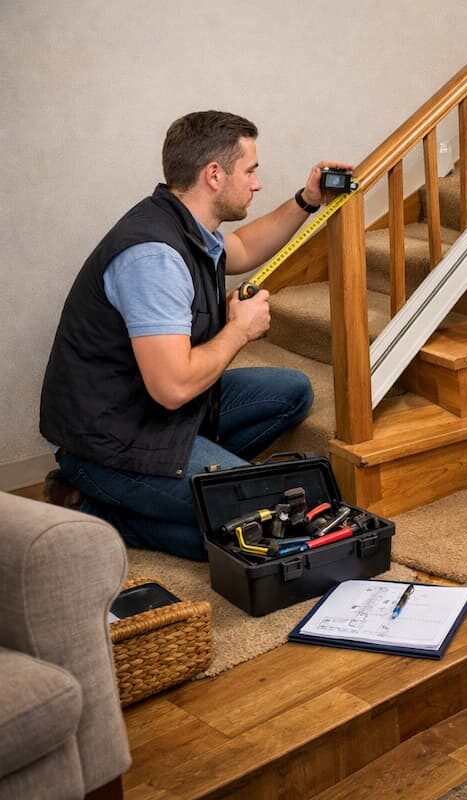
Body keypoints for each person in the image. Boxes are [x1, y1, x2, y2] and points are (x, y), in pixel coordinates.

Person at [40, 110, 354, 559]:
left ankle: (192, 477)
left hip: (151, 414)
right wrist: (238, 330)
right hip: (111, 440)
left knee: (292, 391)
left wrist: (307, 200)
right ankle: (99, 510)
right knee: (261, 530)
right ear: (213, 175)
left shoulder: (185, 224)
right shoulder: (154, 257)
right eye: (251, 171)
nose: (257, 184)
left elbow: (243, 248)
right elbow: (172, 388)